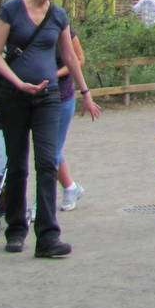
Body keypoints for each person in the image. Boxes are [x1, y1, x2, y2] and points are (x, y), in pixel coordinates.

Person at [0, 0, 93, 258]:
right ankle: (16, 228)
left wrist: (85, 91)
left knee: (46, 163)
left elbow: (70, 57)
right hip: (13, 96)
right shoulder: (11, 9)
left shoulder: (58, 15)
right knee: (18, 164)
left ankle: (47, 236)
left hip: (48, 98)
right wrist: (17, 82)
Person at [55, 26, 101, 211]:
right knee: (47, 151)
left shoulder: (63, 28)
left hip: (61, 96)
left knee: (51, 150)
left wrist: (54, 74)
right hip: (31, 97)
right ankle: (70, 187)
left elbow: (78, 59)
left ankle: (44, 201)